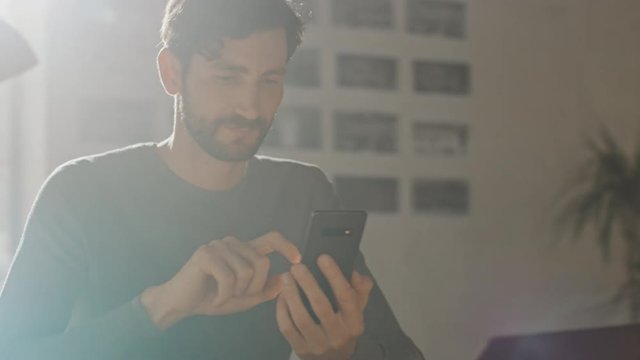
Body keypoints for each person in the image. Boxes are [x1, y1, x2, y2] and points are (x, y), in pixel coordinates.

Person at [0, 0, 425, 359]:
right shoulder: (80, 192)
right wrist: (161, 307)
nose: (251, 106)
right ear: (171, 73)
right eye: (227, 77)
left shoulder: (303, 193)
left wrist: (340, 354)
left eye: (270, 80)